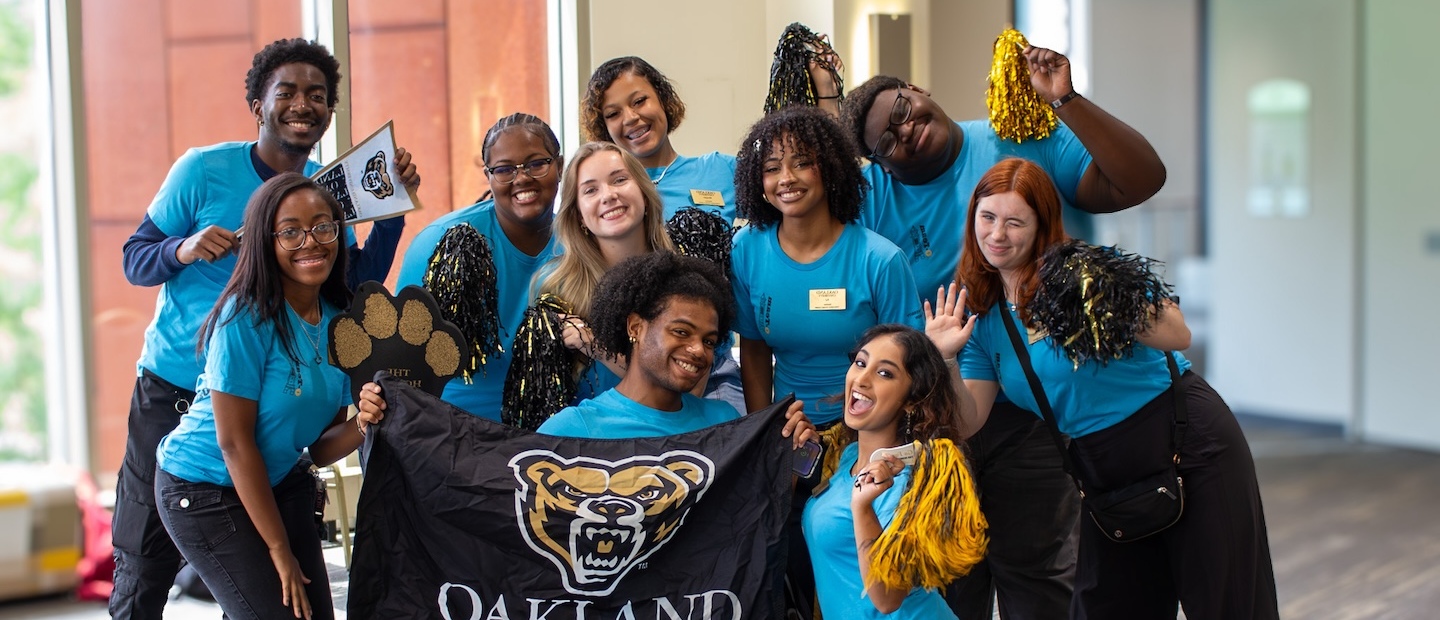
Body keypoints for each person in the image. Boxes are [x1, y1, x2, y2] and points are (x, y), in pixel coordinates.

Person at [834, 45, 1166, 619]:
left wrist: (1064, 100)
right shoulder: (873, 201)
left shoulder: (1018, 137)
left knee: (1038, 577)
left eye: (903, 108)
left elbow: (1139, 181)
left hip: (1030, 403)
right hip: (939, 412)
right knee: (951, 580)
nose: (905, 129)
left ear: (920, 90)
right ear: (877, 163)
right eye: (885, 140)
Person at [111, 38, 419, 619]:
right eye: (288, 91)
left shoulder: (324, 195)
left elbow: (348, 286)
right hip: (178, 388)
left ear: (329, 114)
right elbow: (134, 258)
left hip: (275, 391)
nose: (303, 104)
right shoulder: (203, 169)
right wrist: (182, 248)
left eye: (318, 95)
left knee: (265, 591)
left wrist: (392, 211)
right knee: (144, 557)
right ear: (258, 103)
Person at [952, 158, 1277, 619]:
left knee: (1228, 603)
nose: (997, 234)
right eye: (987, 218)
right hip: (1104, 467)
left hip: (1188, 439)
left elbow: (1177, 334)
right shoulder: (985, 318)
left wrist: (1098, 294)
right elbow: (969, 420)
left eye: (1014, 222)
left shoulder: (1081, 268)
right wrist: (944, 353)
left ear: (1042, 225)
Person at [154, 172, 384, 620]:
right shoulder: (245, 317)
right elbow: (235, 445)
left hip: (278, 481)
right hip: (202, 488)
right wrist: (279, 549)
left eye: (322, 226)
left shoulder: (342, 323)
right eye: (290, 231)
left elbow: (318, 447)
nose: (310, 242)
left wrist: (363, 423)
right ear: (266, 241)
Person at [731, 105, 923, 425]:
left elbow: (909, 365)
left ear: (830, 169)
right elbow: (754, 349)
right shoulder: (746, 248)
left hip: (868, 429)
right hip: (787, 428)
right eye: (772, 168)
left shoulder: (880, 260)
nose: (787, 179)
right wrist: (762, 429)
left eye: (803, 163)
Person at [581, 56, 747, 412]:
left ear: (663, 100)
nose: (631, 118)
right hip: (624, 369)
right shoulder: (606, 198)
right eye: (613, 113)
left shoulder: (721, 170)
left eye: (639, 100)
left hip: (711, 365)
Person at [804, 323, 986, 619]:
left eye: (884, 373)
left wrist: (863, 506)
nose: (862, 378)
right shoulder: (846, 456)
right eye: (860, 363)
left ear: (912, 400)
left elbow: (887, 598)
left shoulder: (910, 482)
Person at [395, 113, 561, 420]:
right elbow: (401, 361)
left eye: (536, 164)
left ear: (559, 167)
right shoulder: (439, 242)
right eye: (504, 169)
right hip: (452, 429)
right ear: (488, 176)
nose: (522, 178)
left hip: (552, 429)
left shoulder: (583, 241)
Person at [532, 141, 676, 405]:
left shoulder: (683, 280)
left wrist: (594, 346)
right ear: (578, 216)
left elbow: (685, 391)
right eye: (590, 190)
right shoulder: (554, 287)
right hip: (587, 441)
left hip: (667, 439)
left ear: (644, 194)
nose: (608, 195)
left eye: (619, 180)